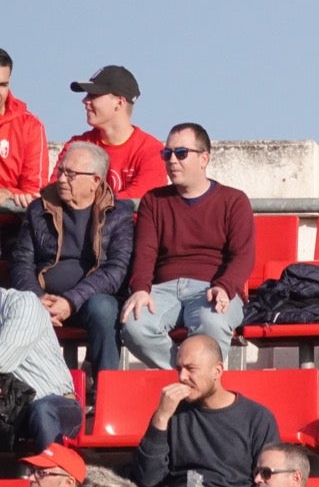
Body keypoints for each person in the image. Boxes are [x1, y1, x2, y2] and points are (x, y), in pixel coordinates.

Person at [120, 123, 255, 368]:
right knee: (135, 326)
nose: (172, 160)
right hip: (163, 289)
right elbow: (145, 252)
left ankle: (197, 385)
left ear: (204, 158)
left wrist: (223, 287)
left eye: (181, 153)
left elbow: (242, 255)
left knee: (212, 322)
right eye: (167, 153)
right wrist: (140, 288)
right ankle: (190, 376)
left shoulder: (234, 200)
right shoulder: (154, 201)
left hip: (212, 287)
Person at [130, 334, 279, 487]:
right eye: (178, 369)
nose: (182, 376)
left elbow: (273, 484)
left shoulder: (256, 417)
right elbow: (147, 479)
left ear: (217, 371)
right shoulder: (171, 413)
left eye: (191, 369)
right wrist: (160, 417)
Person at [9, 140, 131, 381]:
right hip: (44, 298)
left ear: (95, 180)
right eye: (61, 171)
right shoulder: (39, 209)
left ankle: (104, 388)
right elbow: (22, 262)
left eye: (71, 174)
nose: (62, 179)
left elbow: (115, 269)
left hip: (89, 300)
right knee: (18, 305)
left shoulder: (118, 213)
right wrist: (37, 299)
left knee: (104, 310)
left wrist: (71, 301)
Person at [58, 65, 165, 200]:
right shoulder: (76, 146)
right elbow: (56, 190)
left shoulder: (151, 150)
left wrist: (86, 203)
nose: (85, 101)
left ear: (119, 103)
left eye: (93, 95)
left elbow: (141, 199)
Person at [0, 288, 84, 448]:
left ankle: (54, 470)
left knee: (41, 410)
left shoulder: (25, 304)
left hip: (55, 405)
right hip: (11, 410)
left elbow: (3, 360)